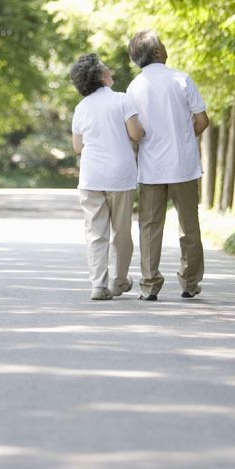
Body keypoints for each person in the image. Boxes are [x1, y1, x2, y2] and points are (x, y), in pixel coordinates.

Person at [126, 30, 209, 302]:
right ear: (158, 53)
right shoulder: (181, 79)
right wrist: (184, 136)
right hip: (183, 165)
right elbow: (202, 120)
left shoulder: (134, 87)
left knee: (150, 227)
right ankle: (189, 282)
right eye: (162, 43)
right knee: (189, 225)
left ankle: (150, 285)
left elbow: (133, 130)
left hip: (150, 168)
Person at [70, 53, 145, 301]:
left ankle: (98, 285)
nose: (111, 70)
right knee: (121, 232)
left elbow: (78, 147)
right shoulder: (122, 101)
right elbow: (136, 134)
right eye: (107, 69)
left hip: (91, 177)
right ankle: (119, 281)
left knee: (95, 233)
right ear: (101, 76)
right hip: (120, 176)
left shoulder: (81, 108)